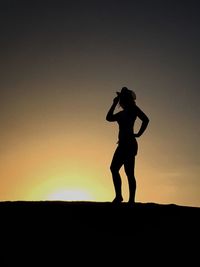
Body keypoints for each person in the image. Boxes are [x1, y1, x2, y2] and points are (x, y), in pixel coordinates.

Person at [106, 87, 149, 204]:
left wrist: (139, 134)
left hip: (129, 144)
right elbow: (108, 118)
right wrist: (114, 103)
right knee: (114, 168)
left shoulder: (134, 109)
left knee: (129, 172)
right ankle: (119, 196)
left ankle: (131, 200)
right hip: (122, 145)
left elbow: (146, 119)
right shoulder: (121, 114)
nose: (121, 102)